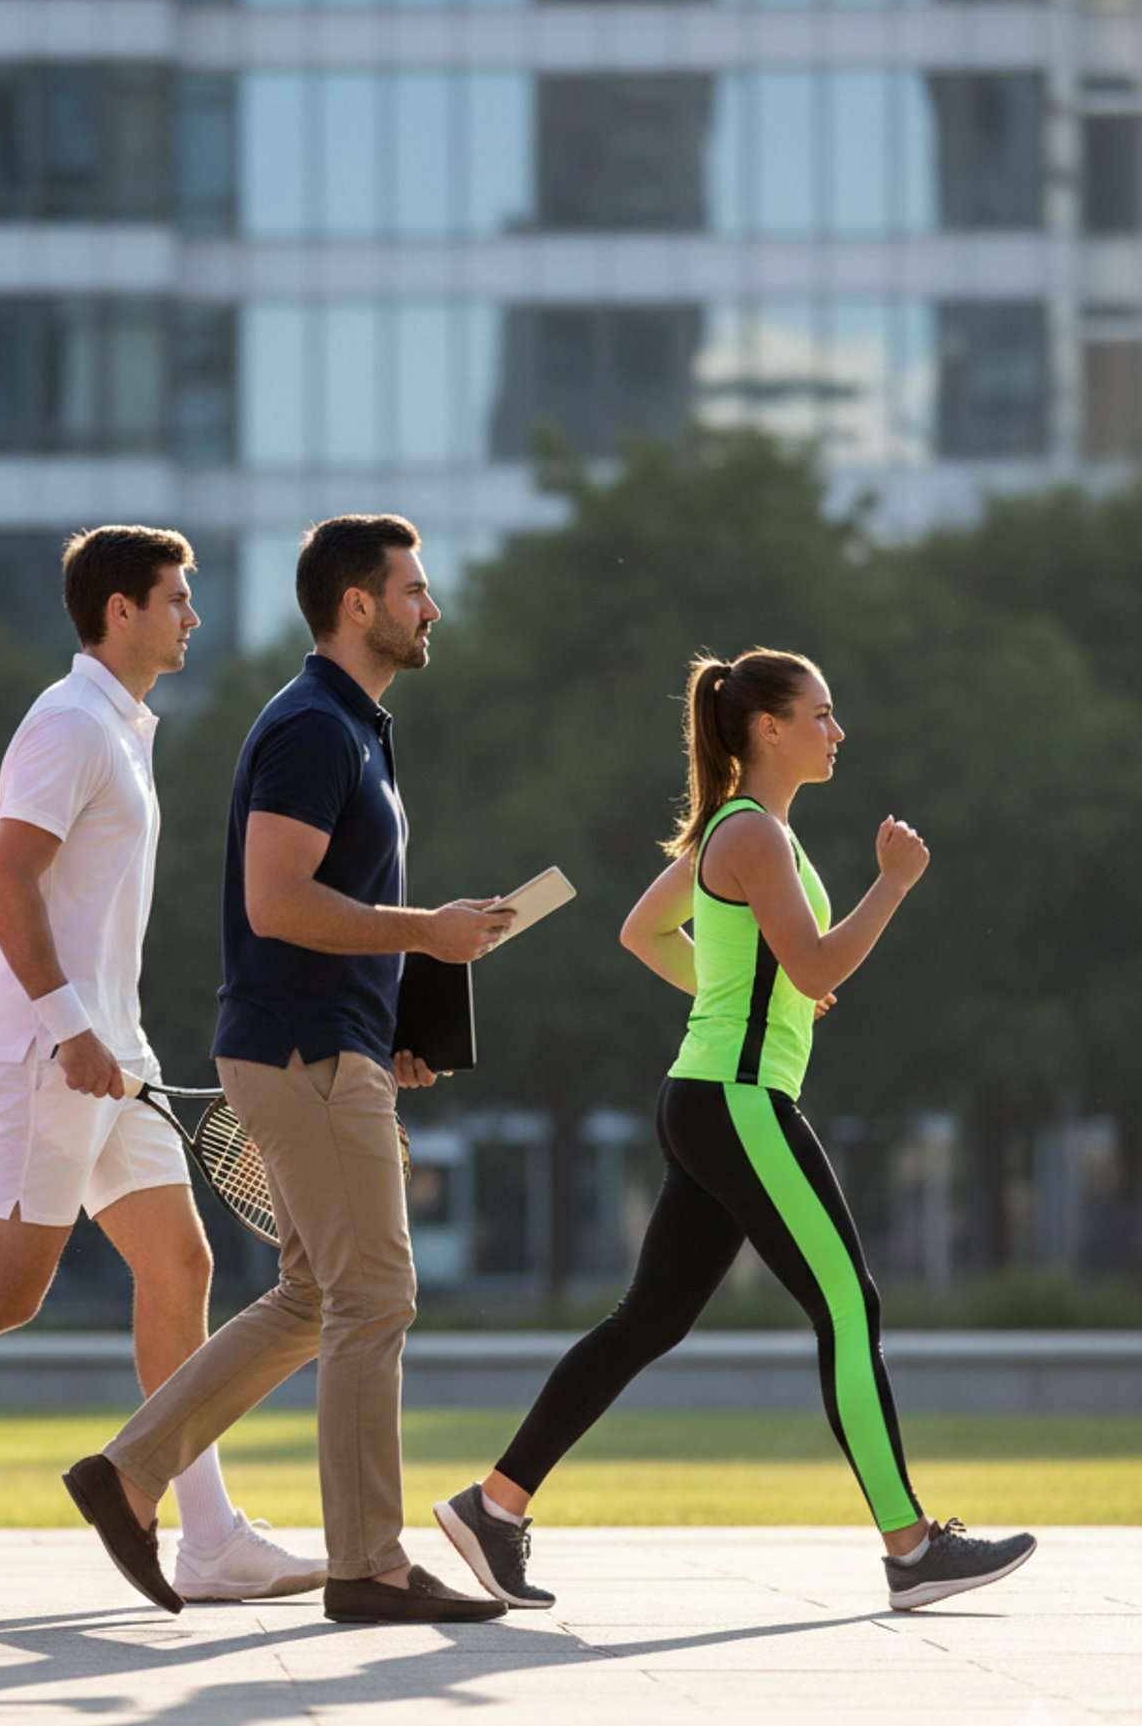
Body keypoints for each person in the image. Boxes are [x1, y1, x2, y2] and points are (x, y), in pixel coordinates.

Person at [432, 649, 1037, 1614]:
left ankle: (493, 1508)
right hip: (740, 1101)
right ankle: (913, 1549)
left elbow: (646, 932)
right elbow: (808, 967)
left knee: (650, 1321)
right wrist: (894, 883)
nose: (836, 732)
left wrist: (744, 993)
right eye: (821, 715)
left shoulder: (738, 831)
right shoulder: (751, 833)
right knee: (849, 1306)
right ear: (768, 728)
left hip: (709, 1097)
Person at [0, 526, 326, 1602]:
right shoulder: (69, 723)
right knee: (6, 1287)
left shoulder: (125, 728)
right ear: (118, 610)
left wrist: (103, 1034)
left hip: (111, 1045)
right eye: (177, 598)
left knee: (180, 1266)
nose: (193, 616)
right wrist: (69, 1027)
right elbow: (5, 884)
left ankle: (210, 1535)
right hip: (55, 1049)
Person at [63, 514, 516, 1624]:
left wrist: (394, 1023)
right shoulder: (314, 728)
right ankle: (368, 1564)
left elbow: (319, 907)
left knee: (318, 1298)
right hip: (301, 1050)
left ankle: (128, 1473)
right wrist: (427, 933)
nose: (429, 607)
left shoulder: (356, 728)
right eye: (412, 589)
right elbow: (278, 902)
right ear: (355, 606)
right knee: (376, 1295)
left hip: (329, 1043)